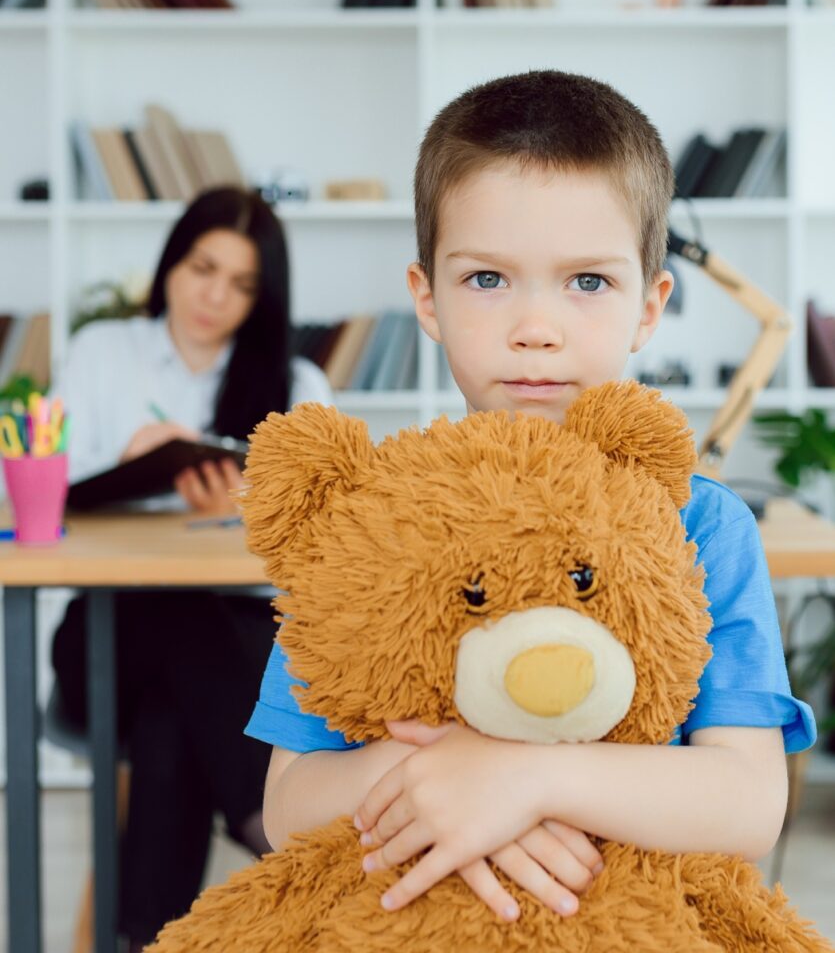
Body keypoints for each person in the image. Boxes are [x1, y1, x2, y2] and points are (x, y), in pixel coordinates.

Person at [244, 71, 816, 924]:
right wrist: (450, 774)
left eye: (586, 282)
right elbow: (286, 806)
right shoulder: (371, 523)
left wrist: (529, 775)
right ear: (426, 298)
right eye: (487, 280)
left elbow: (746, 804)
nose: (535, 327)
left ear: (649, 306)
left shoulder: (702, 525)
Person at [50, 186, 333, 951]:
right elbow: (37, 504)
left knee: (171, 720)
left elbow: (329, 546)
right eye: (203, 267)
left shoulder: (294, 389)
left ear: (262, 298)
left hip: (226, 647)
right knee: (175, 615)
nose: (214, 296)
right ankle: (271, 825)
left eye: (240, 283)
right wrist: (128, 460)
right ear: (172, 261)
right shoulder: (100, 353)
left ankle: (140, 940)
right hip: (106, 634)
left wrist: (252, 504)